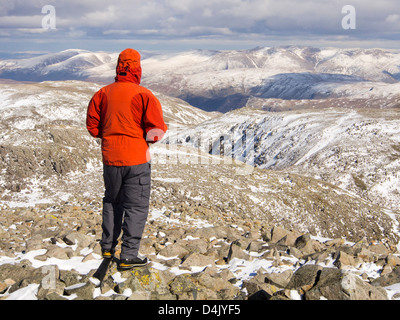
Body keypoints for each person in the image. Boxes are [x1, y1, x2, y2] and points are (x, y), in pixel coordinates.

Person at [86, 48, 167, 269]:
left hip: (110, 158)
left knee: (112, 200)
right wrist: (142, 139)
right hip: (136, 160)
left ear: (118, 68)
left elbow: (93, 127)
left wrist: (111, 136)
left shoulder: (102, 93)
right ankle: (129, 255)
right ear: (138, 69)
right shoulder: (144, 95)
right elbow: (156, 131)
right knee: (136, 206)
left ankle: (107, 246)